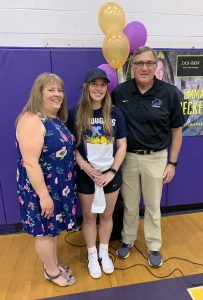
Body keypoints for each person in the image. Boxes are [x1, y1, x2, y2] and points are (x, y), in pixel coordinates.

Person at [111, 46, 185, 267]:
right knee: (131, 205)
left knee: (153, 206)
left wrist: (172, 162)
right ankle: (128, 240)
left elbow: (177, 130)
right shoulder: (120, 92)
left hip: (156, 157)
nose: (144, 68)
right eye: (139, 63)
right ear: (132, 67)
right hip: (128, 158)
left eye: (149, 63)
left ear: (156, 66)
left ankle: (153, 245)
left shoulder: (169, 93)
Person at [16, 73, 77, 286]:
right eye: (51, 90)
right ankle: (51, 272)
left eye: (60, 90)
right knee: (43, 232)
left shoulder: (55, 120)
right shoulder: (32, 119)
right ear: (39, 93)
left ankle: (52, 264)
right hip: (41, 190)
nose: (57, 94)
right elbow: (30, 163)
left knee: (51, 230)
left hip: (58, 187)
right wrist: (44, 196)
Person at [67, 68, 127, 279]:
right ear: (86, 87)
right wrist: (84, 166)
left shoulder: (116, 112)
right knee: (90, 217)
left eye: (102, 85)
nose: (98, 89)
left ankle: (103, 252)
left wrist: (112, 171)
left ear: (106, 88)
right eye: (94, 84)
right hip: (87, 175)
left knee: (107, 215)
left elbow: (121, 146)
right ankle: (92, 254)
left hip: (110, 175)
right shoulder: (75, 113)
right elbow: (71, 147)